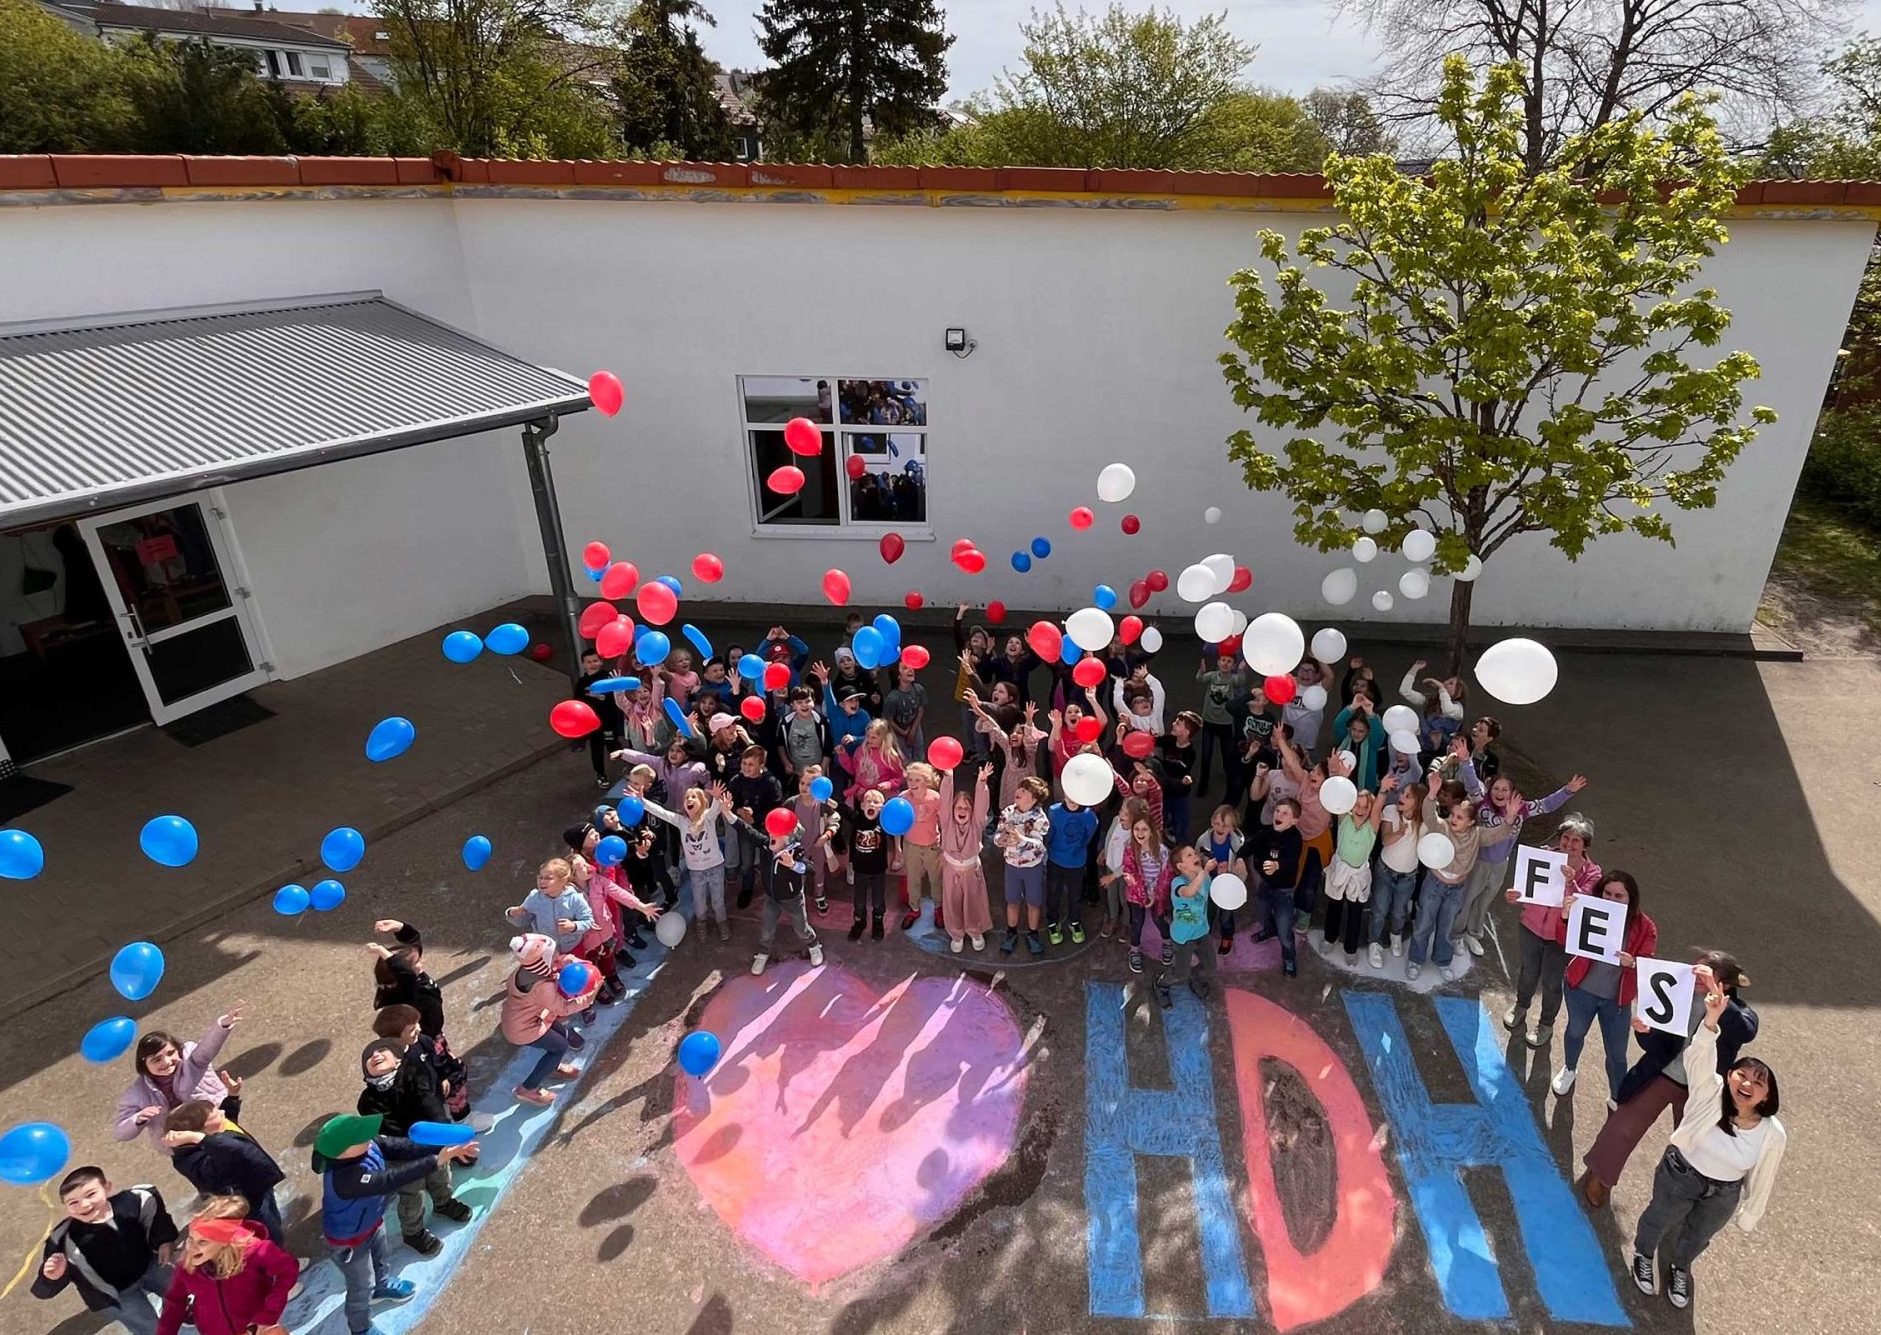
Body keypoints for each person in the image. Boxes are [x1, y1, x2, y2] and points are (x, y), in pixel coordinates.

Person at [1629, 968, 1785, 1311]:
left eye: (1759, 1082)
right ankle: (1643, 1252)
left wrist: (1750, 1213)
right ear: (1727, 1076)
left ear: (1767, 1095)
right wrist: (1711, 1020)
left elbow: (1765, 1176)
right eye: (1741, 1075)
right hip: (1681, 1173)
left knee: (1698, 1236)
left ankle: (1680, 1267)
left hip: (1724, 1193)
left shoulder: (1772, 1133)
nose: (1748, 1084)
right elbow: (1699, 1056)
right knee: (1658, 1217)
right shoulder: (1709, 1090)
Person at [1580, 950, 1759, 1208]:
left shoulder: (1737, 1012)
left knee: (1693, 1146)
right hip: (1664, 1073)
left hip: (1702, 1087)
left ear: (1726, 984)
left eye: (1707, 973)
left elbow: (1747, 1030)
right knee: (1624, 1126)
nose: (1697, 976)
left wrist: (1718, 999)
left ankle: (1677, 1200)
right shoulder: (1676, 994)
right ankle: (1601, 1175)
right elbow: (1653, 1043)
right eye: (1696, 969)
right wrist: (1645, 1031)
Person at [313, 1112, 478, 1335]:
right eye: (362, 1137)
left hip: (372, 1222)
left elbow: (403, 1147)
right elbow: (389, 1179)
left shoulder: (369, 1145)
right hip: (349, 1242)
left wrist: (440, 1147)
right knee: (361, 1286)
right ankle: (360, 1328)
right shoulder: (346, 1178)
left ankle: (382, 1287)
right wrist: (437, 1160)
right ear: (345, 1151)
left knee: (381, 1258)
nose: (370, 1138)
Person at [359, 1007, 474, 1252]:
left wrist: (447, 1138)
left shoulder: (414, 1075)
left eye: (382, 1052)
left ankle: (444, 1202)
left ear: (398, 1058)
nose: (376, 1054)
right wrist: (420, 1148)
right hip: (403, 1157)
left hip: (432, 1144)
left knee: (440, 1175)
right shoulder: (367, 1102)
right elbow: (388, 1134)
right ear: (365, 1071)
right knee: (412, 1195)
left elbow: (431, 1106)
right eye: (370, 1055)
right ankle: (413, 1232)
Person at [1454, 741, 1585, 957]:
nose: (1499, 792)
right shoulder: (1482, 802)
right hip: (1479, 862)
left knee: (1486, 899)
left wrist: (1567, 791)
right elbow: (1470, 784)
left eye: (1504, 789)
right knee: (1468, 898)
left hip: (1500, 864)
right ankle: (1457, 934)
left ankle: (1473, 933)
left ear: (1512, 792)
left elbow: (1546, 805)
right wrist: (1466, 760)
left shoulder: (1522, 809)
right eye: (1496, 788)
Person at [34, 1166, 177, 1335]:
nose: (84, 1205)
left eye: (91, 1194)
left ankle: (194, 1320)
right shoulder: (63, 1240)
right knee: (149, 1326)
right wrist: (51, 1277)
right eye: (73, 1202)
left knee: (183, 1293)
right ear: (66, 1207)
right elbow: (43, 1291)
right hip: (117, 1295)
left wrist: (164, 1241)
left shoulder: (133, 1201)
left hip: (150, 1266)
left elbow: (156, 1215)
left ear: (107, 1187)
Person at [1554, 871, 1658, 1104]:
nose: (1611, 900)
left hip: (1616, 1000)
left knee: (1617, 1054)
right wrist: (1564, 917)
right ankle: (1570, 1068)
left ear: (1631, 898)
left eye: (1619, 896)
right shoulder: (1587, 909)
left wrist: (1633, 962)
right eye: (1607, 893)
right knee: (1575, 1032)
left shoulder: (1645, 927)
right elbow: (1562, 940)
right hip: (1581, 990)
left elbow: (1648, 964)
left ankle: (1617, 1094)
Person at [1504, 813, 1602, 1046]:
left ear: (1585, 845)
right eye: (1566, 838)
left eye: (1576, 840)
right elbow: (1524, 889)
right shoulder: (1544, 855)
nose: (1569, 844)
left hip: (1562, 936)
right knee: (1528, 971)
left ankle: (1546, 1023)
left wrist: (1571, 882)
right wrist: (1513, 896)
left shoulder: (1593, 872)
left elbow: (1584, 902)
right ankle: (1521, 1005)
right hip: (1530, 926)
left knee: (1551, 981)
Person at [114, 1003, 247, 1157]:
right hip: (183, 1148)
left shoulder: (191, 1058)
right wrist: (138, 1118)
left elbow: (206, 1049)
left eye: (171, 1053)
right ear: (144, 1065)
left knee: (243, 1154)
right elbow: (119, 1132)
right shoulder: (137, 1094)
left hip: (215, 1123)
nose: (167, 1062)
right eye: (156, 1060)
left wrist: (223, 1025)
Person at [153, 1200, 297, 1335]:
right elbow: (175, 1302)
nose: (192, 1248)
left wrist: (269, 1314)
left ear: (223, 1242)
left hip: (259, 1330)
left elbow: (288, 1268)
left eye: (203, 1242)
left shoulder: (254, 1251)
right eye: (191, 1239)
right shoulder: (187, 1264)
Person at [160, 1100, 286, 1244]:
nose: (222, 1113)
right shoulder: (191, 1160)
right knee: (267, 1234)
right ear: (198, 1132)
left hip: (259, 1185)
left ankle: (277, 1235)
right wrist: (200, 1139)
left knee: (273, 1216)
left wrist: (231, 1099)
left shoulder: (216, 1135)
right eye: (216, 1115)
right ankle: (281, 1259)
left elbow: (228, 1130)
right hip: (249, 1202)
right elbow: (232, 1148)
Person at [500, 933, 596, 1107]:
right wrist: (588, 999)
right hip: (523, 1029)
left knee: (559, 1036)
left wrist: (566, 961)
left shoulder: (526, 970)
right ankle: (528, 1089)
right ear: (543, 962)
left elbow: (549, 971)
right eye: (553, 956)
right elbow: (562, 1008)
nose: (558, 957)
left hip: (522, 1018)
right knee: (560, 1047)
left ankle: (552, 1066)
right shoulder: (542, 987)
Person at [1406, 778, 1482, 981]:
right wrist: (1431, 794)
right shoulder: (1443, 827)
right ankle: (1415, 959)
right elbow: (1429, 816)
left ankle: (1442, 960)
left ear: (1471, 822)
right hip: (1434, 884)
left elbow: (1498, 834)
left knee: (1446, 927)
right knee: (1423, 923)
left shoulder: (1477, 835)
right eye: (1453, 815)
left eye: (1459, 817)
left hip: (1456, 889)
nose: (1453, 819)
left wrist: (1510, 818)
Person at [645, 785, 735, 939]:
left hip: (715, 868)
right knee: (699, 904)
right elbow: (661, 812)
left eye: (694, 797)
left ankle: (722, 923)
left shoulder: (708, 818)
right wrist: (641, 800)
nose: (689, 799)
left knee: (718, 901)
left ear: (702, 802)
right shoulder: (681, 821)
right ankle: (701, 923)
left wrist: (717, 797)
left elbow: (716, 807)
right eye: (687, 797)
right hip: (696, 871)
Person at [751, 815, 827, 976]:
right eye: (771, 832)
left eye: (776, 834)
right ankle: (763, 953)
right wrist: (727, 812)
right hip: (772, 898)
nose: (771, 836)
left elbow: (811, 869)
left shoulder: (795, 852)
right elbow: (747, 831)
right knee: (767, 929)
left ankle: (813, 945)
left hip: (793, 899)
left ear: (787, 838)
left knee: (801, 928)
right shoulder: (766, 846)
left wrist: (793, 865)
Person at [1318, 787, 1382, 961]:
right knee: (1334, 906)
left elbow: (1378, 808)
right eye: (1356, 806)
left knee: (1355, 913)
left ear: (1371, 810)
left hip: (1358, 875)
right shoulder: (1344, 819)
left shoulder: (1372, 827)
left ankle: (1350, 949)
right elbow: (1338, 795)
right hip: (1340, 870)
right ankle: (1330, 938)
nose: (1360, 810)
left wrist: (1383, 790)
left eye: (1365, 807)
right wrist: (1342, 777)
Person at [1367, 775, 1423, 966]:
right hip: (1385, 871)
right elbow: (1385, 840)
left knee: (1399, 912)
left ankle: (1395, 935)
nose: (1402, 797)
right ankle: (1374, 942)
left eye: (1408, 796)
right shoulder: (1390, 811)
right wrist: (1400, 832)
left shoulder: (1422, 822)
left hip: (1408, 876)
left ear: (1418, 804)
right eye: (1402, 793)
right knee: (1379, 910)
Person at [938, 764, 995, 952]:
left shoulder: (976, 823)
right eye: (958, 807)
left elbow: (981, 806)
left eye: (966, 807)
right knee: (952, 903)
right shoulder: (946, 823)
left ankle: (975, 930)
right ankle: (956, 933)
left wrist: (981, 782)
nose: (962, 810)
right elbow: (944, 802)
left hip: (971, 871)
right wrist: (948, 777)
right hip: (951, 870)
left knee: (973, 902)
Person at [994, 776, 1053, 956]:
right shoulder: (1007, 812)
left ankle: (1033, 934)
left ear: (1034, 799)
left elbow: (1040, 846)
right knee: (1012, 901)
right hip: (1011, 866)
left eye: (1024, 791)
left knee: (1033, 903)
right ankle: (1011, 933)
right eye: (1019, 788)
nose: (1018, 792)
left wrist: (1021, 840)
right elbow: (997, 835)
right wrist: (1001, 840)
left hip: (1032, 868)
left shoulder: (1039, 818)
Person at [1249, 798, 1304, 977]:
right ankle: (1268, 929)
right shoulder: (1267, 832)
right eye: (1277, 811)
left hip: (1283, 892)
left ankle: (1289, 959)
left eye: (1285, 813)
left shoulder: (1295, 838)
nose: (1278, 815)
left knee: (1284, 930)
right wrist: (1241, 858)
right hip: (1266, 886)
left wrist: (1277, 866)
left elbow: (1290, 860)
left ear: (1294, 821)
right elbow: (1250, 845)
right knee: (1261, 913)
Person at [1157, 845, 1219, 1004]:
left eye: (1195, 853)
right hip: (1183, 937)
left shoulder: (1206, 879)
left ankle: (1195, 978)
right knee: (1180, 974)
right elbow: (1189, 892)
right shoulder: (1177, 883)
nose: (1196, 855)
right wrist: (1204, 871)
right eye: (1189, 855)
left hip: (1202, 932)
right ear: (1181, 866)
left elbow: (1216, 893)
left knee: (1211, 968)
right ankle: (1161, 985)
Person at [1117, 810, 1175, 975]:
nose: (1140, 833)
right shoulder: (1130, 849)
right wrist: (1143, 895)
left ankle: (1167, 942)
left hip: (1158, 894)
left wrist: (1154, 895)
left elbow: (1166, 875)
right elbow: (1129, 872)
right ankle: (1134, 950)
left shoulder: (1162, 851)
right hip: (1137, 895)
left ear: (1152, 831)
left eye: (1144, 829)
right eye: (1136, 829)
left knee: (1159, 920)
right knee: (1137, 922)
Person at [503, 857, 594, 956]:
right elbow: (524, 921)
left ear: (563, 880)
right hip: (545, 949)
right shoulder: (535, 897)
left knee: (573, 970)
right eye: (540, 877)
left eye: (548, 878)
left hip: (572, 947)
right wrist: (512, 913)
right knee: (550, 971)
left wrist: (574, 926)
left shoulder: (575, 899)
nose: (542, 881)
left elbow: (588, 920)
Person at [838, 787, 892, 940]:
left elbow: (898, 828)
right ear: (862, 806)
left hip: (878, 870)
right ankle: (859, 922)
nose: (872, 805)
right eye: (868, 801)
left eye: (876, 802)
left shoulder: (884, 822)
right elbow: (841, 808)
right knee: (859, 901)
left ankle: (878, 922)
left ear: (882, 808)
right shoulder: (857, 818)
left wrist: (899, 851)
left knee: (878, 900)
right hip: (860, 870)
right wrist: (825, 798)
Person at [1045, 790, 1097, 946]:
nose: (1073, 799)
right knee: (1053, 893)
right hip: (1055, 860)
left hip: (1076, 863)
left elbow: (1088, 836)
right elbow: (1050, 833)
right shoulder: (1054, 811)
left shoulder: (1089, 816)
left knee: (1075, 895)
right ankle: (1052, 922)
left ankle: (1074, 921)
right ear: (1064, 794)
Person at [1194, 652, 1248, 798]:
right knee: (1206, 754)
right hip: (1209, 721)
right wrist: (1202, 671)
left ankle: (1230, 777)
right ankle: (1203, 783)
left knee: (1227, 754)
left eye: (1229, 661)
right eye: (1223, 660)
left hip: (1225, 722)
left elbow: (1241, 681)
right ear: (1218, 662)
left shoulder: (1232, 679)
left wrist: (1242, 670)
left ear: (1233, 665)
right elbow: (1200, 679)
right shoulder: (1212, 676)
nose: (1225, 663)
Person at [1197, 804, 1245, 956]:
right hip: (1209, 883)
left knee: (1226, 914)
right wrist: (1207, 869)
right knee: (1208, 911)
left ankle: (1227, 936)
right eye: (1217, 823)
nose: (1220, 828)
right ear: (1212, 822)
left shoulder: (1236, 843)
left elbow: (1241, 869)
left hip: (1228, 884)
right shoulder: (1203, 840)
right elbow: (1196, 860)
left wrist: (1229, 873)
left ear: (1232, 827)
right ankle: (1205, 934)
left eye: (1225, 825)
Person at [1157, 711, 1200, 840]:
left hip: (1180, 793)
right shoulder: (1169, 740)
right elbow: (1152, 740)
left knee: (1180, 825)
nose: (1173, 724)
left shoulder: (1190, 752)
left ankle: (1181, 847)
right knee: (1160, 821)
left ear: (1186, 732)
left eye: (1178, 723)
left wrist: (1156, 760)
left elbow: (1178, 768)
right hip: (1164, 790)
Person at [845, 718, 906, 803]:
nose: (869, 740)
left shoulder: (890, 756)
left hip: (881, 797)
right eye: (868, 736)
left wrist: (889, 784)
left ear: (884, 738)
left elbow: (900, 777)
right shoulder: (860, 751)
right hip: (861, 796)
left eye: (873, 737)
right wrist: (842, 755)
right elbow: (853, 770)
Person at [882, 660, 928, 759]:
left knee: (919, 753)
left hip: (914, 726)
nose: (911, 669)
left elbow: (920, 709)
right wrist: (904, 733)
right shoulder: (892, 699)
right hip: (898, 731)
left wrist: (912, 731)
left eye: (911, 667)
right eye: (905, 668)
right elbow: (888, 720)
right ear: (898, 676)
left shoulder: (919, 689)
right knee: (904, 757)